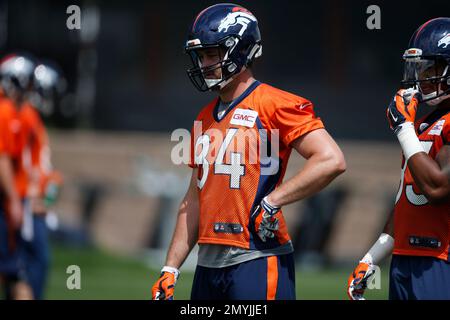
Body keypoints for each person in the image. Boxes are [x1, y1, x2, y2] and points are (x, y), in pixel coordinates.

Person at [152, 3, 346, 300]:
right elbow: (193, 199)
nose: (204, 64)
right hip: (207, 265)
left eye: (211, 54)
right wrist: (171, 268)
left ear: (240, 50)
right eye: (201, 56)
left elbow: (331, 159)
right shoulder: (204, 117)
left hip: (256, 257)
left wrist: (273, 201)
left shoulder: (274, 103)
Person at [347, 17, 450, 300]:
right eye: (421, 67)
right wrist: (372, 257)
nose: (423, 77)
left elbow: (438, 188)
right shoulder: (422, 126)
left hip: (440, 259)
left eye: (432, 67)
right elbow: (406, 200)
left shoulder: (416, 128)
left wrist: (403, 128)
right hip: (406, 258)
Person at [18, 61, 64, 299]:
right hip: (27, 203)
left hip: (31, 203)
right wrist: (33, 194)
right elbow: (21, 162)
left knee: (29, 265)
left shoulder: (32, 118)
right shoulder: (25, 116)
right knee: (31, 264)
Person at [0, 53, 36, 300]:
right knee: (14, 270)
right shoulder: (4, 112)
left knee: (14, 271)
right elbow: (1, 158)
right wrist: (13, 199)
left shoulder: (16, 113)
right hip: (5, 203)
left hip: (10, 201)